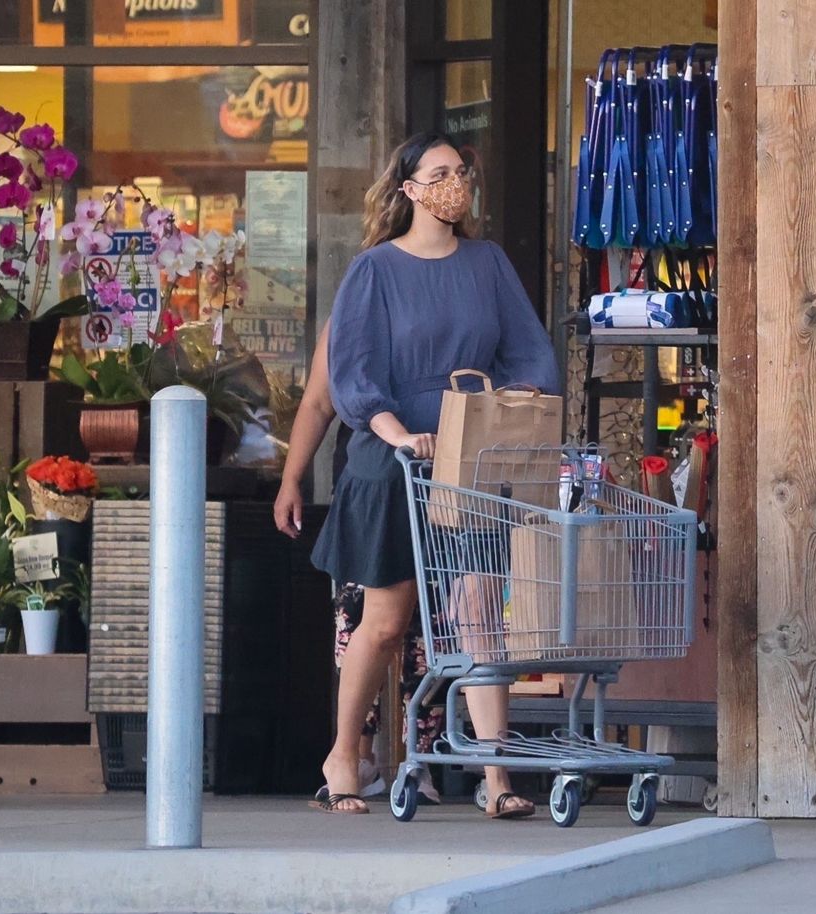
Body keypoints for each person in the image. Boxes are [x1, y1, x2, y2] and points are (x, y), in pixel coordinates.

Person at [308, 131, 561, 817]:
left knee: (480, 611)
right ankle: (343, 754)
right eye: (441, 172)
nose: (457, 184)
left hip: (470, 459)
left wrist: (518, 408)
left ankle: (496, 774)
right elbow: (352, 372)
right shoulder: (375, 270)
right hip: (396, 461)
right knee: (386, 623)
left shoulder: (488, 264)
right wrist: (395, 431)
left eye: (463, 172)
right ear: (409, 188)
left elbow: (530, 353)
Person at [273, 321, 445, 805]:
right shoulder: (354, 310)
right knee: (359, 619)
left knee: (434, 626)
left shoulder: (446, 302)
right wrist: (292, 479)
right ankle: (358, 753)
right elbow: (317, 402)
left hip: (440, 474)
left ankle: (421, 756)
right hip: (371, 479)